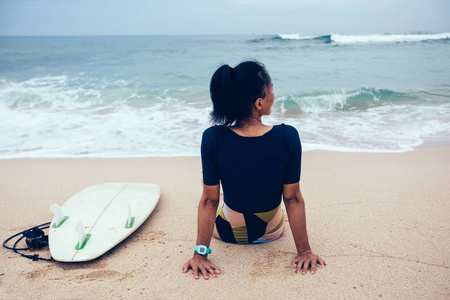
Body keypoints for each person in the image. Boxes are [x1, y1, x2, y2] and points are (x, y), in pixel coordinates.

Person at [182, 61, 325, 280]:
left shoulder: (212, 138)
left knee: (216, 198)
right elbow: (293, 198)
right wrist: (304, 251)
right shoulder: (288, 136)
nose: (273, 96)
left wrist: (200, 255)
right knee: (270, 202)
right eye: (271, 90)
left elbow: (209, 201)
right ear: (259, 103)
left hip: (230, 232)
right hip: (270, 232)